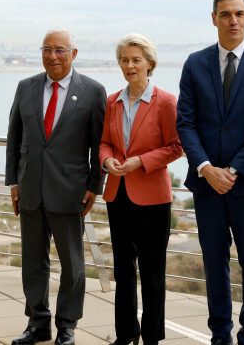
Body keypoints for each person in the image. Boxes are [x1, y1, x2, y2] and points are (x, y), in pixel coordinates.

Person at [176, 0, 244, 345]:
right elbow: (186, 123)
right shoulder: (195, 62)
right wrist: (207, 168)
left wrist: (234, 170)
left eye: (239, 13)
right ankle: (219, 337)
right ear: (214, 19)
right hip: (206, 185)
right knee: (215, 266)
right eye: (225, 14)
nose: (233, 20)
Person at [5, 28, 106, 345]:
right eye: (47, 50)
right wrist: (13, 182)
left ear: (74, 53)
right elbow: (14, 137)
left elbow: (98, 144)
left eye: (60, 50)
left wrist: (94, 185)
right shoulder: (26, 87)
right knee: (32, 262)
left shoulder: (92, 91)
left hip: (71, 189)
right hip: (31, 187)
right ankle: (37, 323)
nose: (52, 56)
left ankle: (67, 325)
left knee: (73, 264)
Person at [100, 33, 183, 345]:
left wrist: (141, 161)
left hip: (153, 198)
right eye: (124, 60)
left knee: (152, 273)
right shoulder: (112, 102)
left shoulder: (166, 102)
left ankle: (151, 337)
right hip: (117, 193)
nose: (130, 65)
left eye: (136, 59)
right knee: (123, 270)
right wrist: (107, 161)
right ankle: (125, 335)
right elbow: (105, 142)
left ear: (151, 63)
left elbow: (177, 147)